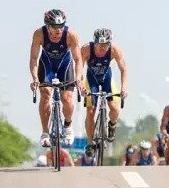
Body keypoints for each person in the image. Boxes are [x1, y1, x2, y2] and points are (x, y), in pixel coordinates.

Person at [29, 9, 83, 147]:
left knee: (67, 98)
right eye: (54, 26)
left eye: (61, 26)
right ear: (47, 26)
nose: (58, 30)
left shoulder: (70, 35)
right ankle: (45, 132)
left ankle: (68, 125)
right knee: (45, 94)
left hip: (65, 65)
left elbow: (78, 59)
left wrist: (78, 78)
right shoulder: (39, 34)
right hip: (47, 65)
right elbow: (34, 59)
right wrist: (35, 78)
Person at [82, 28, 128, 157]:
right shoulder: (86, 49)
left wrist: (124, 88)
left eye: (106, 44)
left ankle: (111, 125)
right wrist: (80, 85)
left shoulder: (114, 50)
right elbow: (79, 67)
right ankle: (90, 143)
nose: (103, 48)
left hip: (107, 79)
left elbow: (123, 69)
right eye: (100, 44)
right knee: (91, 111)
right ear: (95, 42)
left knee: (114, 108)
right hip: (91, 80)